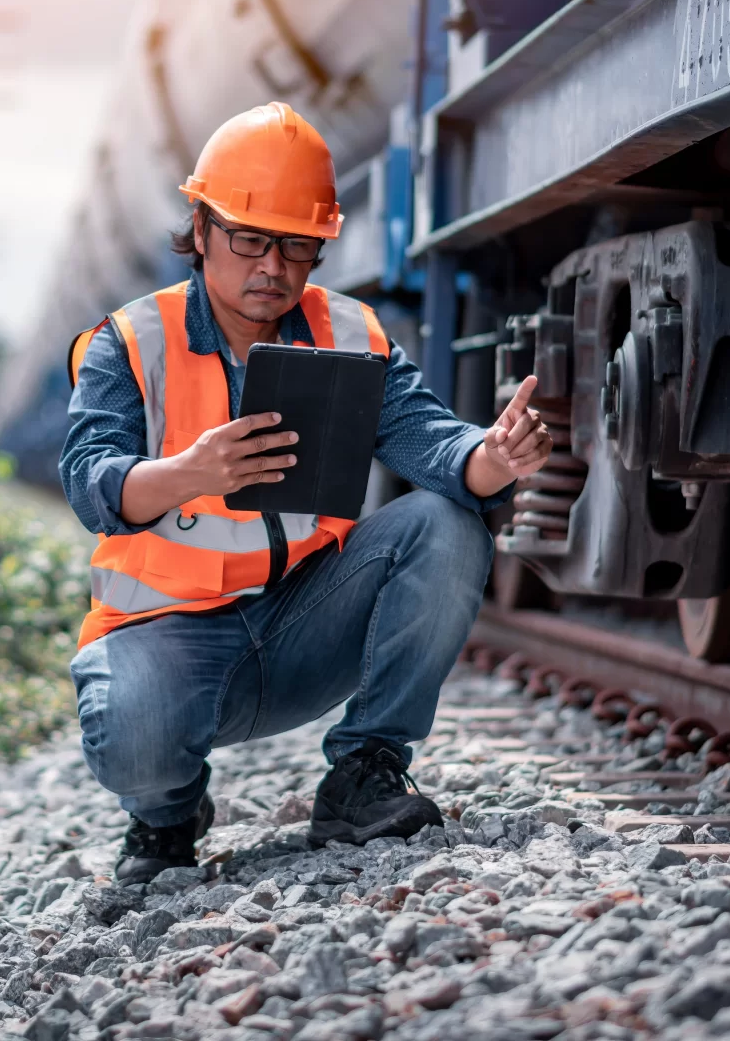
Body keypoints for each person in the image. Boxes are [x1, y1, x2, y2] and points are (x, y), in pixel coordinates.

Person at [61, 101, 551, 884]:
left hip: (304, 626)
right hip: (171, 637)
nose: (273, 268)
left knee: (447, 518)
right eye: (251, 239)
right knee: (134, 732)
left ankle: (364, 775)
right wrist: (191, 472)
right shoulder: (132, 342)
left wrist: (491, 458)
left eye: (298, 245)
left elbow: (427, 440)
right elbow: (89, 481)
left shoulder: (350, 334)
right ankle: (168, 814)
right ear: (201, 226)